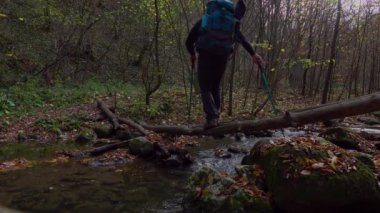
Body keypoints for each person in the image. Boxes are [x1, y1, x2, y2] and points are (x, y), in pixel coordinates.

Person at [186, 0, 265, 130]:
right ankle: (216, 117)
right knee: (215, 86)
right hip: (222, 55)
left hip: (205, 53)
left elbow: (189, 41)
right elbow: (241, 38)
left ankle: (212, 118)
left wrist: (192, 53)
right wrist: (253, 54)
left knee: (205, 87)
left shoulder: (205, 20)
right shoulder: (231, 23)